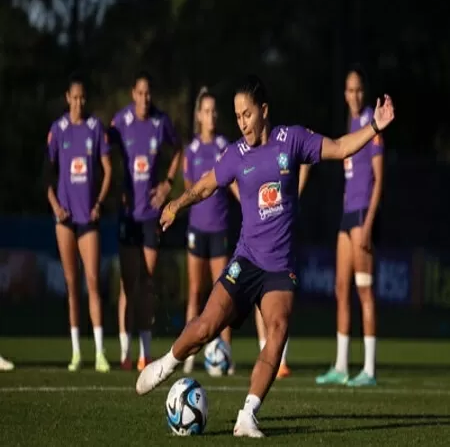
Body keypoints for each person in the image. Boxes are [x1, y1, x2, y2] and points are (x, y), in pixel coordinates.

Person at [136, 74, 394, 437]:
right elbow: (208, 182)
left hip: (279, 268)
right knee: (207, 326)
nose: (241, 123)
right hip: (246, 260)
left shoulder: (292, 140)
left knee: (278, 330)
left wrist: (374, 127)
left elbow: (338, 147)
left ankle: (248, 415)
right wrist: (176, 204)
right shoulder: (236, 155)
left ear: (264, 111)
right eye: (237, 116)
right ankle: (167, 364)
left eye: (247, 114)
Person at [316, 67, 384, 387]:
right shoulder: (350, 124)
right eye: (349, 90)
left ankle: (368, 369)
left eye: (358, 90)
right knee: (341, 288)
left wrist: (368, 224)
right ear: (344, 94)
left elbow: (379, 178)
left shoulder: (373, 122)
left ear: (363, 92)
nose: (354, 95)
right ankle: (342, 365)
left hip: (361, 218)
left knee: (364, 290)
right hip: (346, 216)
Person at [109, 71, 181, 371]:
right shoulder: (120, 121)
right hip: (128, 215)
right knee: (128, 284)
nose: (145, 98)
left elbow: (178, 150)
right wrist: (115, 189)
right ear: (132, 94)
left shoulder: (160, 122)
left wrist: (167, 183)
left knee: (146, 282)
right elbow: (104, 155)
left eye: (149, 93)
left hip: (151, 214)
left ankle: (145, 353)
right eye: (140, 93)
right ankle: (125, 353)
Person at [46, 73, 112, 372]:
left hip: (88, 217)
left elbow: (108, 170)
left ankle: (99, 353)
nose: (79, 102)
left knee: (93, 283)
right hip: (65, 219)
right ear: (67, 98)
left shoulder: (95, 127)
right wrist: (56, 206)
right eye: (74, 97)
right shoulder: (58, 130)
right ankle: (76, 353)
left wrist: (99, 203)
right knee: (72, 285)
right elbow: (46, 176)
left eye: (83, 97)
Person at [182, 87, 239, 374]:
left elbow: (236, 185)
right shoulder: (191, 151)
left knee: (224, 292)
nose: (211, 115)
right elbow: (190, 190)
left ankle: (225, 355)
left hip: (219, 229)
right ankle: (188, 352)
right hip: (197, 229)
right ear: (198, 116)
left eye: (215, 110)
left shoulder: (224, 147)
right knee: (195, 291)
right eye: (206, 111)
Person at [254, 164, 311, 379]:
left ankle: (281, 360)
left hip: (283, 234)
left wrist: (295, 193)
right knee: (259, 295)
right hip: (258, 234)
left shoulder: (284, 142)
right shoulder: (250, 153)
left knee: (282, 295)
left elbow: (307, 161)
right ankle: (266, 354)